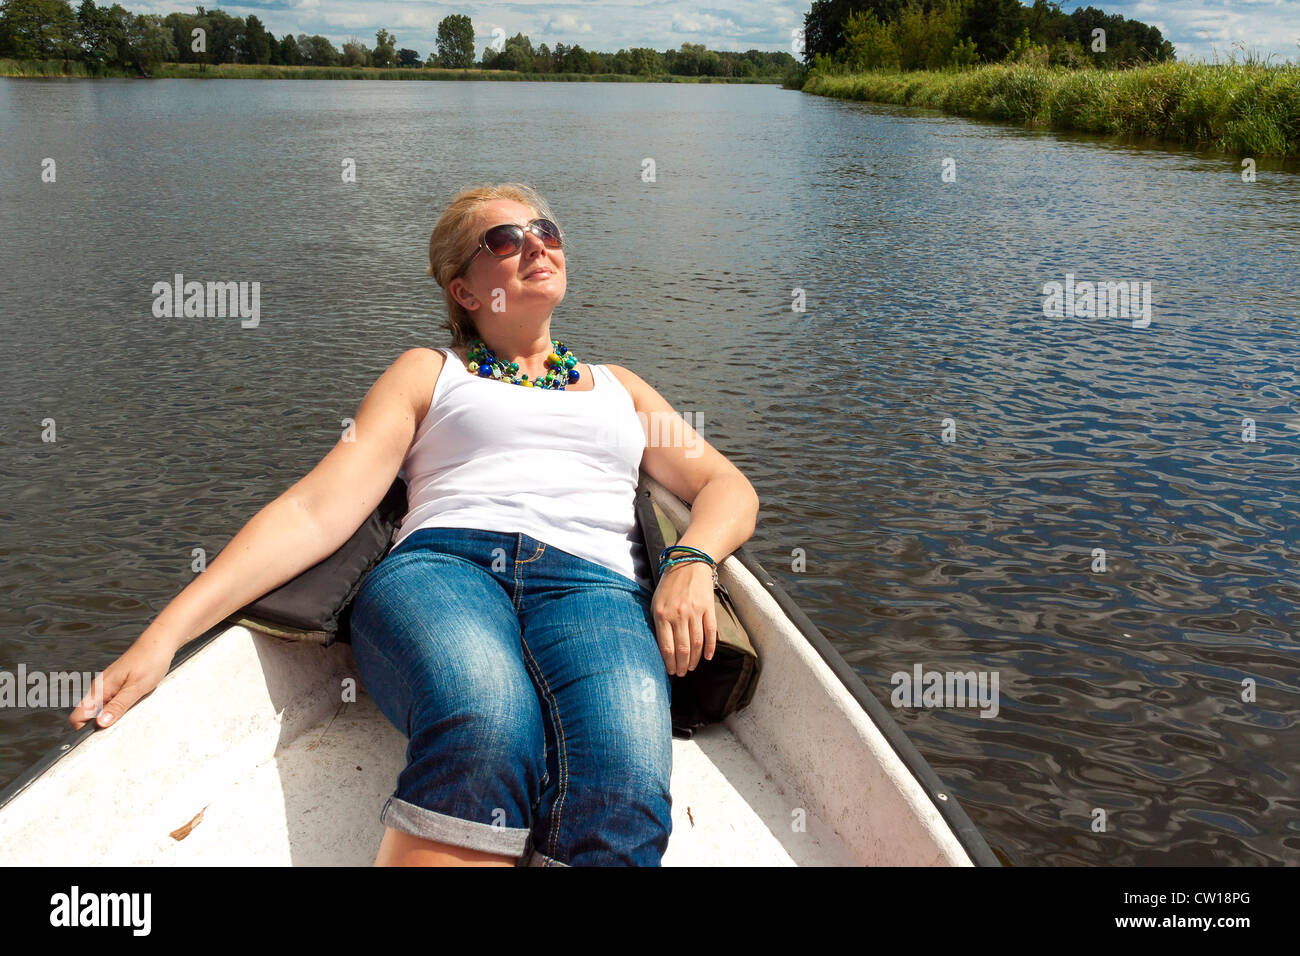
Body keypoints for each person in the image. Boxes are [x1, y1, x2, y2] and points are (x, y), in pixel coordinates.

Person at [68, 181, 761, 867]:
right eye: (505, 240)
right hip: (445, 569)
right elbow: (317, 508)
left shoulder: (622, 388)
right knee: (487, 719)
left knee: (626, 781)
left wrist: (691, 560)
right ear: (463, 290)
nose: (536, 247)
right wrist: (163, 635)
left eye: (545, 231)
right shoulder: (430, 372)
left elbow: (725, 487)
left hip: (597, 586)